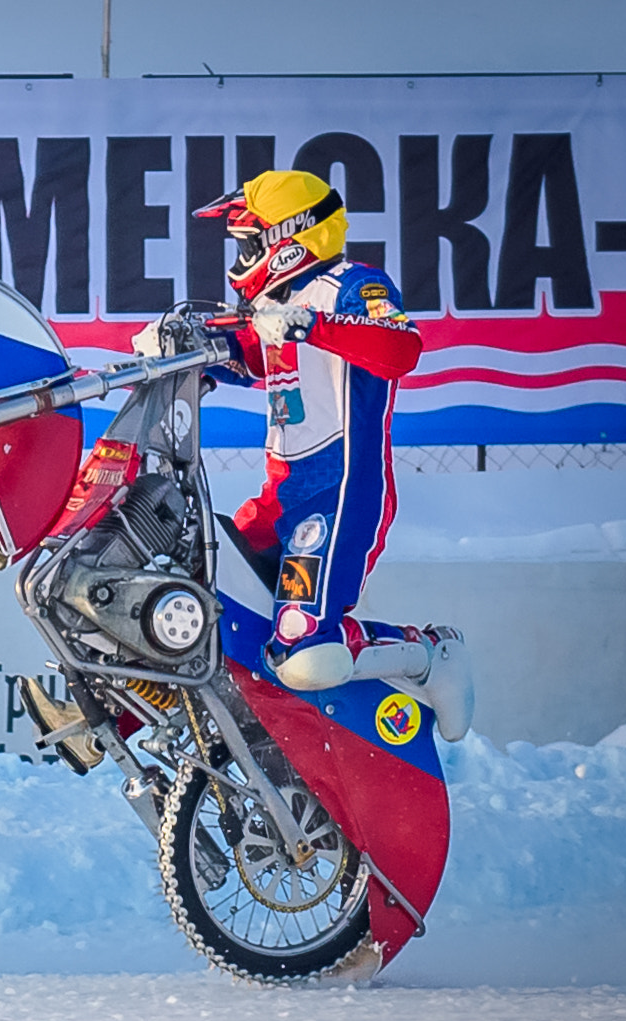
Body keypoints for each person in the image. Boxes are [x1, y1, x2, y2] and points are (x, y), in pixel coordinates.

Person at [135, 170, 473, 741]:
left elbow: (402, 349)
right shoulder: (275, 307)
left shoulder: (352, 285)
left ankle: (428, 653)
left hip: (338, 494)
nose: (241, 258)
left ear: (288, 238)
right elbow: (248, 361)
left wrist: (312, 326)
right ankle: (111, 710)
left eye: (248, 243)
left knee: (305, 656)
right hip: (279, 496)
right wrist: (179, 351)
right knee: (191, 595)